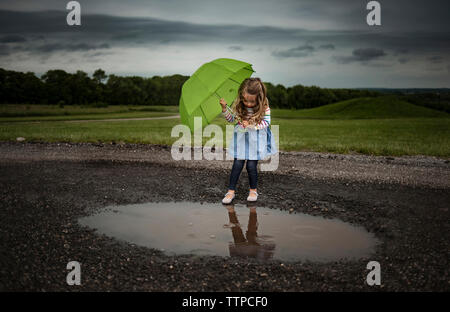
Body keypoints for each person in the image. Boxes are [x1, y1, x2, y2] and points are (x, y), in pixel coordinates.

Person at [219, 77, 277, 204]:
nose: (248, 104)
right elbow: (231, 119)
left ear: (259, 98)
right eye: (245, 100)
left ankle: (253, 190)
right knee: (237, 164)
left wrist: (251, 124)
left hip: (256, 140)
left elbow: (266, 122)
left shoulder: (264, 108)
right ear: (241, 96)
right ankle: (230, 191)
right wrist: (224, 109)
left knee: (251, 165)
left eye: (252, 101)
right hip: (241, 139)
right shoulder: (240, 106)